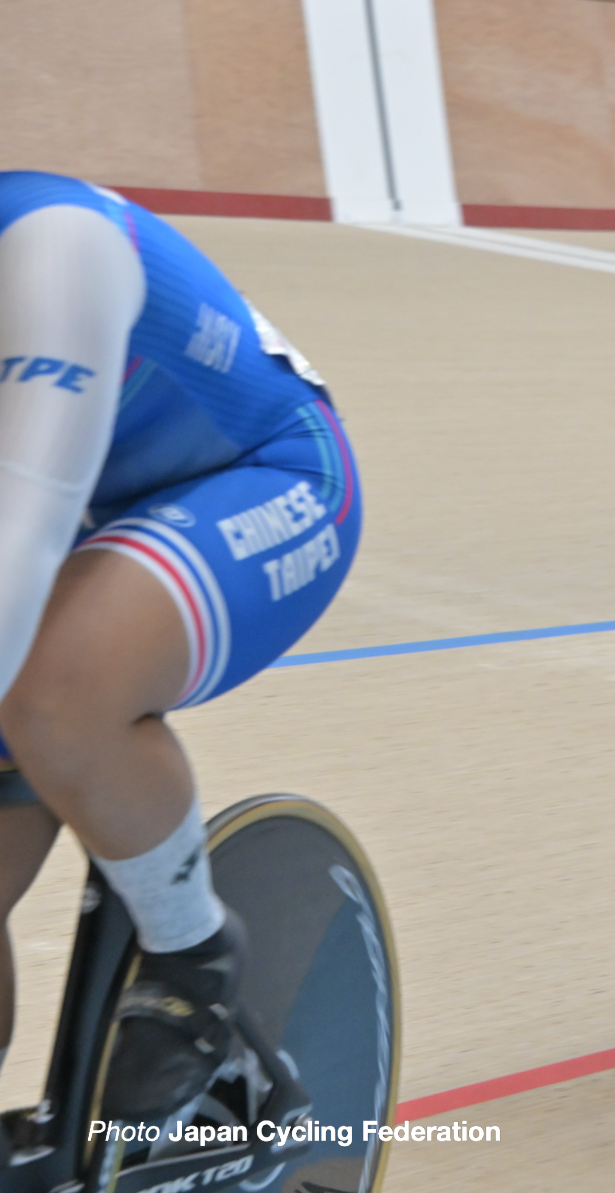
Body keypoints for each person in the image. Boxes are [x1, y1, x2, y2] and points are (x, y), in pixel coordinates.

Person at [0, 172, 360, 1120]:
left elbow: (24, 538)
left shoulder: (53, 244)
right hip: (69, 515)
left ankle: (191, 951)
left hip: (261, 478)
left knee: (55, 691)